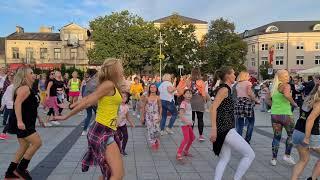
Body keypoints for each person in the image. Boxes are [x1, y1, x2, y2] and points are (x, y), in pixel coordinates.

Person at [55, 58, 125, 180]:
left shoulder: (110, 84)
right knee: (117, 175)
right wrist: (67, 115)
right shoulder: (108, 84)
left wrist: (71, 105)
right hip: (103, 130)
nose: (122, 70)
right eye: (120, 68)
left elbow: (88, 98)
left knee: (107, 173)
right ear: (114, 70)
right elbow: (88, 101)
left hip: (106, 129)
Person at [210, 66, 255, 180]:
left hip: (226, 127)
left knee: (225, 158)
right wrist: (214, 129)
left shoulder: (227, 88)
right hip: (225, 128)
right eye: (233, 73)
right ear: (228, 75)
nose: (235, 75)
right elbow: (213, 108)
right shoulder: (224, 89)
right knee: (249, 154)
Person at [4, 67, 43, 180]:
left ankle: (10, 173)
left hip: (26, 121)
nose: (34, 75)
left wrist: (39, 117)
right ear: (25, 76)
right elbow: (17, 104)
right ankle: (20, 169)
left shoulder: (29, 88)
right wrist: (20, 122)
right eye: (31, 73)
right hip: (23, 123)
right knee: (37, 143)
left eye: (33, 73)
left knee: (24, 146)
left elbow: (31, 106)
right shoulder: (24, 88)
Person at [291, 75, 320, 180]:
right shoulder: (318, 103)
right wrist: (307, 138)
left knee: (303, 160)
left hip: (298, 131)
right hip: (309, 135)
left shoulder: (308, 99)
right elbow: (310, 119)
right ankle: (313, 179)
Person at [268, 69, 298, 166]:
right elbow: (287, 95)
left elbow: (266, 99)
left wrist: (273, 106)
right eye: (285, 76)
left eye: (288, 75)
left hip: (275, 115)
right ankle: (287, 155)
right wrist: (294, 104)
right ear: (281, 77)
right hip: (286, 115)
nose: (288, 77)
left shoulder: (274, 86)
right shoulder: (286, 85)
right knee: (291, 135)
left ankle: (274, 159)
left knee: (277, 136)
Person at [234, 71, 259, 144]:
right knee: (251, 121)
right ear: (245, 76)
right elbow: (249, 93)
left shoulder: (237, 84)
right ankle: (247, 139)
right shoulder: (248, 83)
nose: (249, 76)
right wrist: (256, 100)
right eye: (248, 75)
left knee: (239, 123)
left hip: (239, 102)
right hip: (246, 102)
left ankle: (239, 140)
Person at [141, 84, 162, 150]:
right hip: (148, 116)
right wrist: (142, 116)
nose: (153, 88)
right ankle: (152, 142)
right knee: (150, 129)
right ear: (149, 89)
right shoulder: (147, 97)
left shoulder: (158, 98)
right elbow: (143, 107)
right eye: (151, 87)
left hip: (156, 115)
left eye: (154, 87)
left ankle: (156, 140)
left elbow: (160, 107)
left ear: (156, 89)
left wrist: (160, 115)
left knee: (157, 128)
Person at [176, 89, 195, 160]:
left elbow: (188, 114)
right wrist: (186, 122)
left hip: (188, 124)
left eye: (190, 93)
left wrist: (190, 120)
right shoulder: (183, 103)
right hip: (184, 124)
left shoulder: (189, 103)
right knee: (186, 138)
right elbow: (181, 115)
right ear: (184, 95)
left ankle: (185, 151)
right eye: (187, 93)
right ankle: (179, 153)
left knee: (192, 137)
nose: (189, 95)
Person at [189, 68, 207, 141]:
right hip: (199, 100)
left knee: (192, 119)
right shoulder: (201, 82)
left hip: (191, 101)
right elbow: (203, 93)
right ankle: (201, 136)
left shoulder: (189, 81)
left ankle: (191, 135)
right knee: (200, 119)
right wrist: (205, 102)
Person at [81, 69, 98, 136]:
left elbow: (83, 92)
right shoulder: (93, 82)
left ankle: (85, 130)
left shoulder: (86, 82)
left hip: (87, 101)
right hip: (93, 101)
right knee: (97, 115)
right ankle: (94, 129)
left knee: (89, 115)